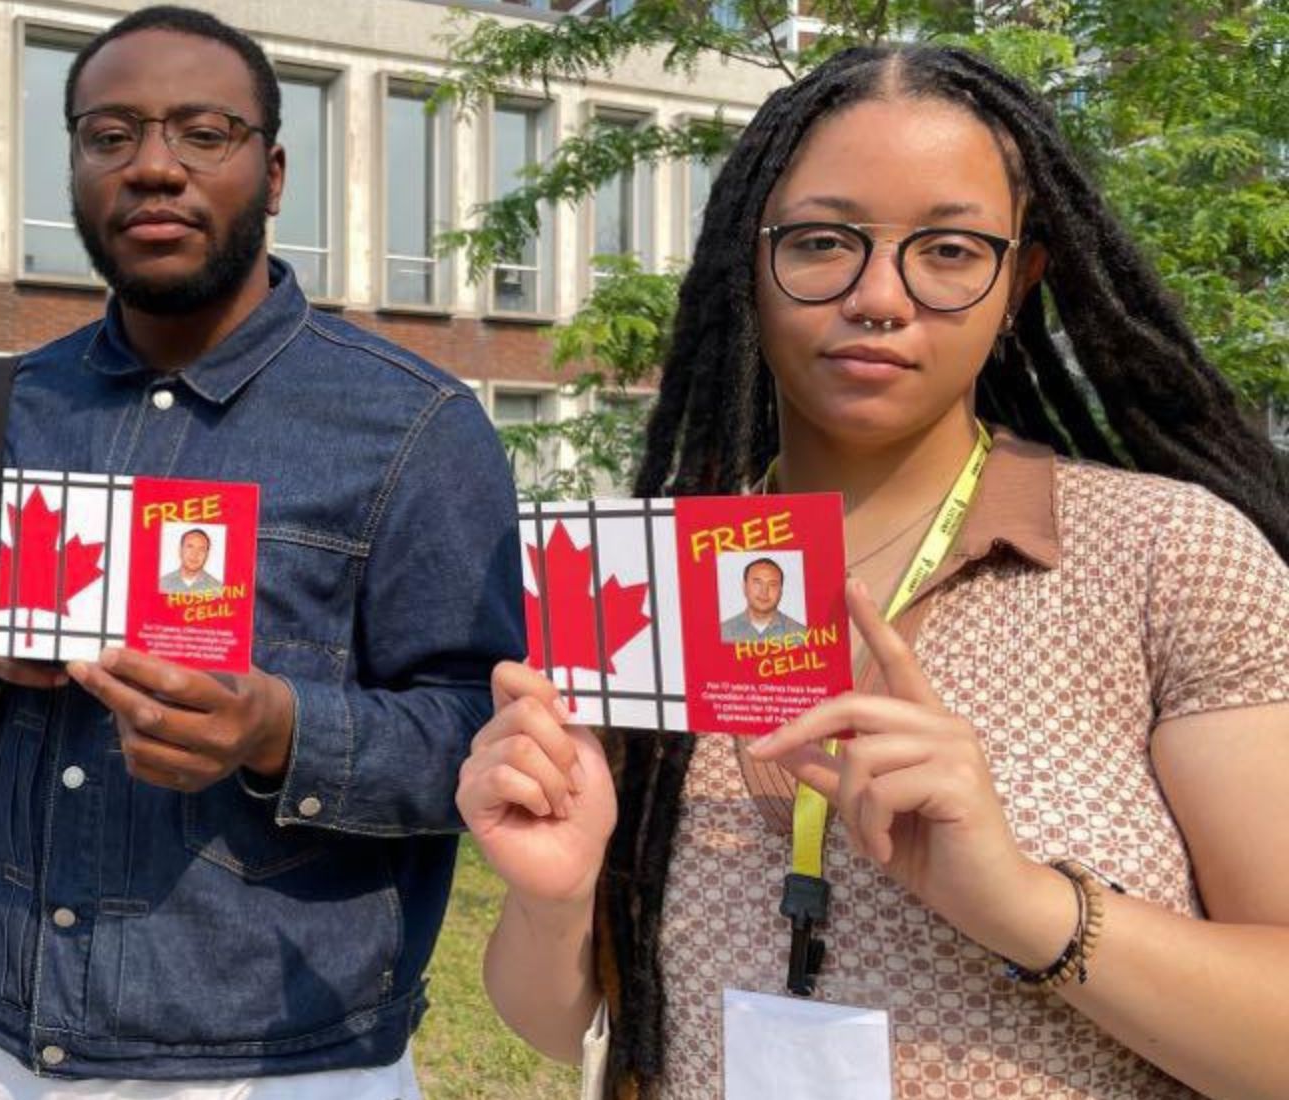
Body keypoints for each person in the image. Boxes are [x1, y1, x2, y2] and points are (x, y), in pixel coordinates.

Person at [457, 45, 1289, 1100]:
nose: (878, 296)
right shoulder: (644, 584)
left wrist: (1019, 901)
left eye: (946, 250)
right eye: (820, 242)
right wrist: (551, 896)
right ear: (744, 264)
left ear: (1018, 280)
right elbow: (565, 1018)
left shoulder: (1171, 556)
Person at [0, 6, 522, 1096]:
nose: (152, 168)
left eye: (201, 133)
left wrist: (279, 730)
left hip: (277, 1058)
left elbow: (483, 730)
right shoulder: (3, 410)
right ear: (74, 165)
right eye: (109, 135)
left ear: (270, 175)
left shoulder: (413, 426)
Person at [718, 557, 803, 642]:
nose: (764, 592)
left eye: (772, 584)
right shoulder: (723, 632)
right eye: (757, 583)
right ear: (744, 587)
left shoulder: (801, 635)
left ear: (780, 591)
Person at [157, 527, 221, 594]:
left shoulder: (218, 589)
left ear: (207, 555)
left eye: (201, 549)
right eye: (190, 547)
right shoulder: (162, 584)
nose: (195, 554)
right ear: (180, 550)